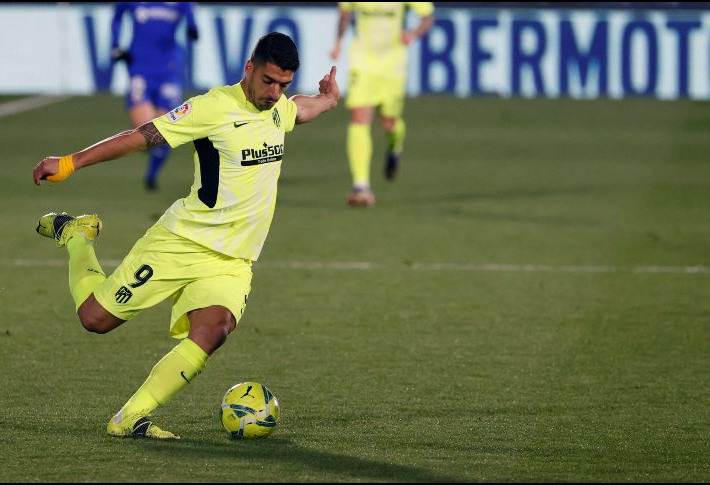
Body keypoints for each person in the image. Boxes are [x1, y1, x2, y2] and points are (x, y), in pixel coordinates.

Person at [32, 32, 339, 439]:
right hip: (182, 241)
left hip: (233, 259)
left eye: (283, 84)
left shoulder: (279, 109)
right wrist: (71, 162)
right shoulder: (212, 108)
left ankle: (129, 416)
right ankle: (77, 235)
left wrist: (329, 99)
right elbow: (142, 136)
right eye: (268, 81)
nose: (274, 92)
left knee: (214, 329)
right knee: (95, 319)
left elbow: (300, 109)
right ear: (249, 67)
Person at [330, 2, 434, 206]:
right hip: (363, 63)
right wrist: (338, 42)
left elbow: (428, 17)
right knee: (359, 118)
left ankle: (395, 146)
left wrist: (412, 34)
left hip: (392, 66)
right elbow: (344, 13)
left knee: (389, 122)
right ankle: (361, 186)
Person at [110, 2, 199, 191]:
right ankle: (151, 155)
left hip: (169, 70)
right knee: (145, 132)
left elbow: (191, 18)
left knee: (164, 133)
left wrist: (192, 28)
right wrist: (115, 45)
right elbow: (117, 15)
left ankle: (151, 176)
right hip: (140, 69)